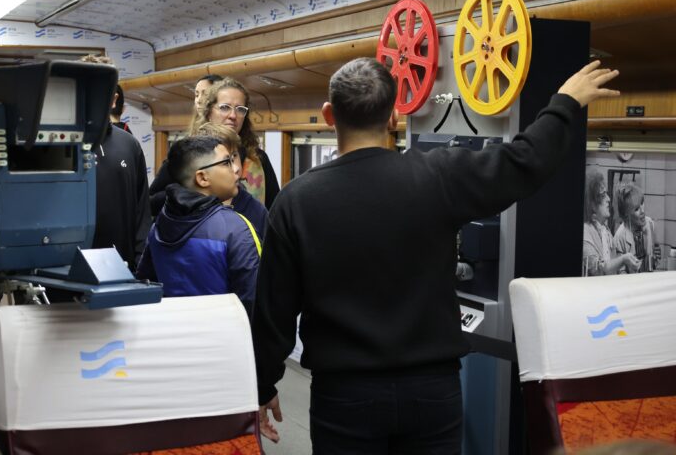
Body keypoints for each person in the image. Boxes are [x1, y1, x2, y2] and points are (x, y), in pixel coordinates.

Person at [251, 58, 621, 453]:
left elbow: (275, 309)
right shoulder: (440, 175)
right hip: (432, 392)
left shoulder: (296, 201)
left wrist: (262, 385)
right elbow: (525, 161)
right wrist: (564, 102)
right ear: (394, 116)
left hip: (344, 395)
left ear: (329, 115)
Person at [136, 136, 261, 316]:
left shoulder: (159, 225)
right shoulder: (236, 229)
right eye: (227, 162)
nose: (236, 169)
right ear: (202, 178)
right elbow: (253, 301)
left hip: (175, 338)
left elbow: (146, 287)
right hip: (226, 340)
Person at [81, 54, 151, 272]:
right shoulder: (52, 144)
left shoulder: (129, 145)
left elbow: (142, 212)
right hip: (62, 268)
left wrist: (141, 261)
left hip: (119, 266)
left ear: (113, 99)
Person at [188, 77, 280, 208]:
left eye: (240, 109)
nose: (233, 115)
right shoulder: (188, 155)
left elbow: (274, 209)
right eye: (225, 107)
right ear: (208, 112)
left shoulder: (259, 159)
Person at [149, 74, 223, 215]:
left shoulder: (253, 156)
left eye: (205, 94)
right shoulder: (186, 151)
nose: (199, 100)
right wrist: (185, 191)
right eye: (196, 95)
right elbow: (152, 200)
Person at [194, 122, 268, 239]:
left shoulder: (256, 210)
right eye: (225, 162)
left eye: (234, 156)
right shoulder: (185, 209)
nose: (236, 168)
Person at [583, 167, 640, 275]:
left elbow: (615, 266)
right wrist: (624, 259)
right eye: (603, 195)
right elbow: (597, 268)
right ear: (591, 204)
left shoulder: (606, 231)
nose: (609, 199)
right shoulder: (585, 231)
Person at [613, 182, 658, 272]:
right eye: (636, 209)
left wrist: (649, 234)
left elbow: (652, 265)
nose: (642, 211)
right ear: (627, 215)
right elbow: (621, 275)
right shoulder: (619, 237)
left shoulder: (649, 223)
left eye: (642, 203)